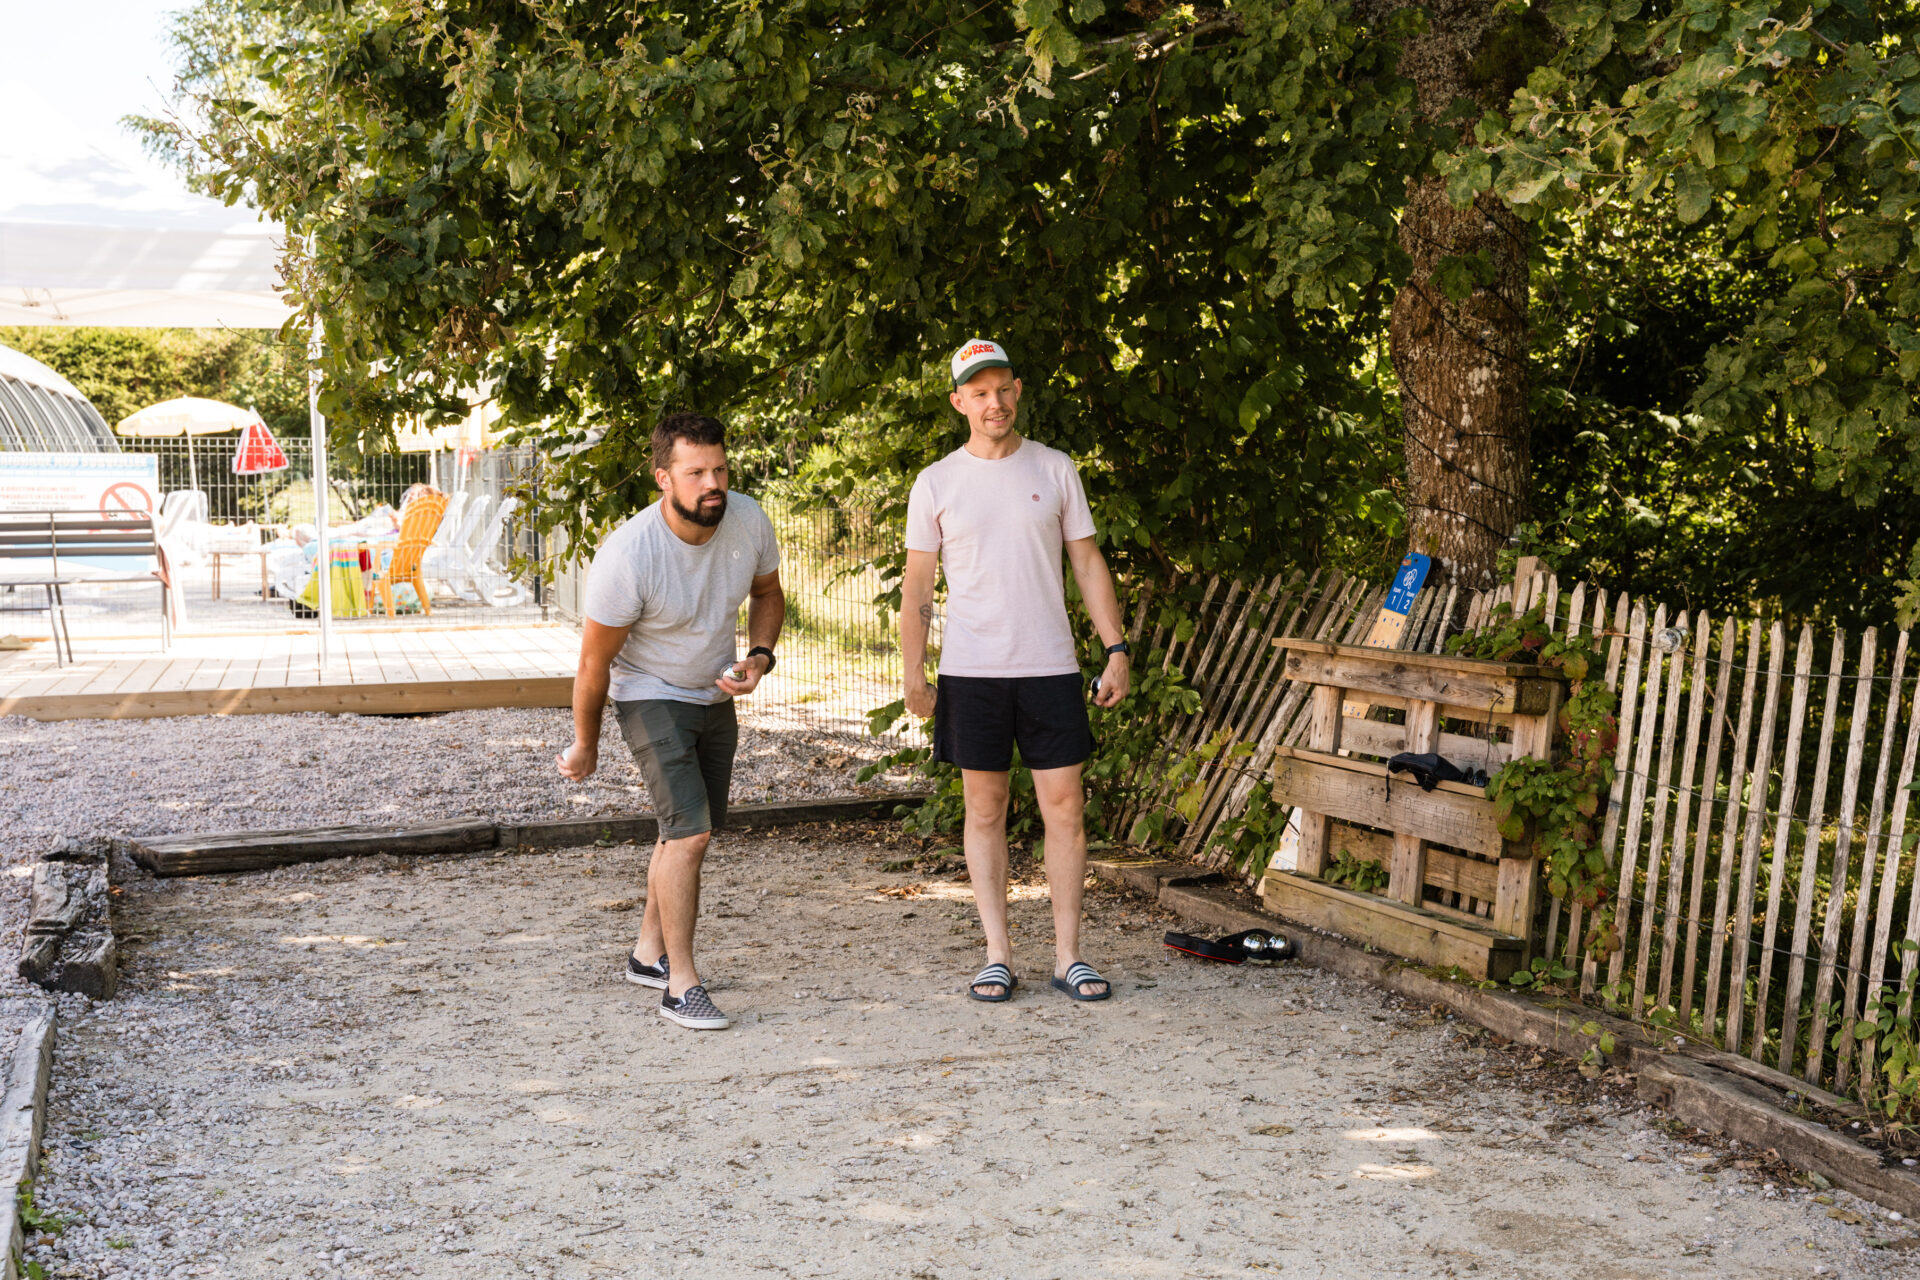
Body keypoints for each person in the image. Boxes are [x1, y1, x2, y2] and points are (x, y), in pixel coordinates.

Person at [900, 338, 1131, 1004]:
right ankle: (997, 955)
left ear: (1018, 390)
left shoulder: (1055, 469)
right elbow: (918, 587)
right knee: (984, 809)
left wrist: (1116, 649)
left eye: (1002, 389)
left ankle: (1068, 956)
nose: (993, 403)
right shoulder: (937, 482)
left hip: (1050, 667)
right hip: (972, 672)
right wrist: (914, 673)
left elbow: (1087, 562)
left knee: (1066, 809)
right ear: (959, 402)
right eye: (979, 393)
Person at [557, 412, 784, 1030]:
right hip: (649, 691)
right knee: (690, 835)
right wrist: (584, 743)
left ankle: (647, 954)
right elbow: (593, 662)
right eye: (696, 473)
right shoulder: (630, 555)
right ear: (663, 477)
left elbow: (768, 593)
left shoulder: (747, 519)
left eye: (720, 469)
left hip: (714, 693)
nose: (713, 483)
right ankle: (681, 985)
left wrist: (759, 657)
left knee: (685, 830)